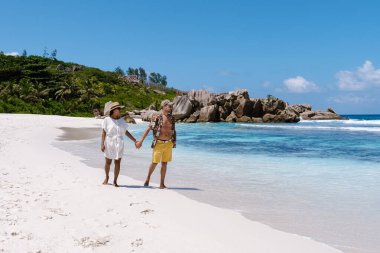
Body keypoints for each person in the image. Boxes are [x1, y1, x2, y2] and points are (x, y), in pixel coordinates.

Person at [136, 99, 176, 189]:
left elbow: (173, 130)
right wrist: (140, 141)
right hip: (158, 143)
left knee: (165, 163)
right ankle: (148, 178)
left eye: (171, 106)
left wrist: (174, 141)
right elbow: (148, 129)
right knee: (154, 162)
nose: (170, 107)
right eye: (169, 106)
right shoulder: (157, 116)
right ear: (164, 106)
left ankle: (162, 183)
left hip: (168, 143)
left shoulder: (172, 118)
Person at [101, 102, 139, 187]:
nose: (119, 110)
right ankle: (107, 177)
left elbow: (126, 132)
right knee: (108, 162)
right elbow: (103, 133)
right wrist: (102, 144)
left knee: (117, 162)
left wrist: (135, 141)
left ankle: (115, 181)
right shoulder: (107, 120)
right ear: (114, 110)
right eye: (118, 109)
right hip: (109, 142)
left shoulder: (122, 121)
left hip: (120, 142)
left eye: (119, 109)